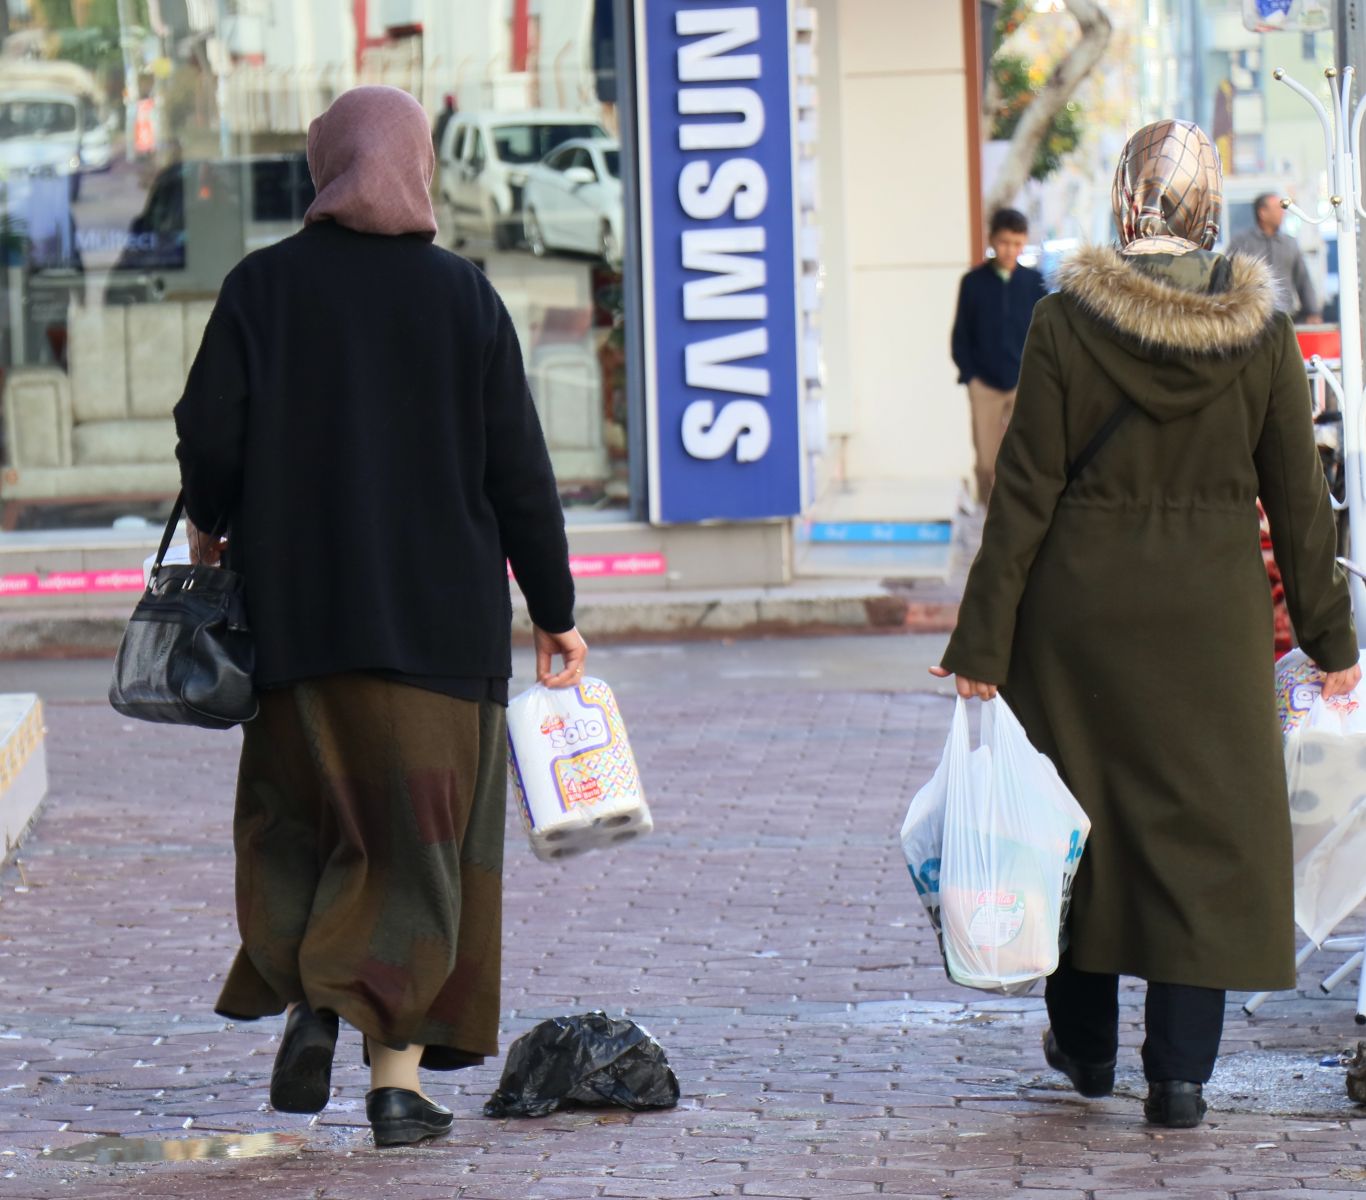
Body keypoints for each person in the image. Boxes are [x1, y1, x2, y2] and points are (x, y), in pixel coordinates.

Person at [172, 86, 587, 1149]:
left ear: (327, 166)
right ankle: (395, 1089)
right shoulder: (464, 297)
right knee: (419, 852)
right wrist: (554, 610)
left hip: (294, 629)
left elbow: (208, 431)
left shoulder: (262, 288)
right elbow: (519, 473)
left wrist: (213, 519)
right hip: (441, 636)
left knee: (303, 825)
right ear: (418, 166)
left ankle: (316, 997)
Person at [931, 120, 1360, 1129]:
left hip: (1075, 618)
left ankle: (1085, 1053)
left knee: (1074, 830)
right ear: (1209, 210)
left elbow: (1022, 493)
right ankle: (1179, 1078)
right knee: (1199, 838)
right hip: (1209, 621)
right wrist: (1331, 640)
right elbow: (1299, 501)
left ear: (1123, 201)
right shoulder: (1260, 330)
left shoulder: (1063, 321)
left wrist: (982, 641)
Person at [950, 208, 1049, 504]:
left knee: (1030, 456)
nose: (1010, 250)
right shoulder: (973, 282)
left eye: (1017, 243)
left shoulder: (1035, 282)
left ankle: (1025, 514)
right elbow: (961, 334)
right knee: (985, 462)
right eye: (1005, 242)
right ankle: (988, 516)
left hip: (1024, 384)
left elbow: (1045, 335)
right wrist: (970, 376)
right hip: (984, 385)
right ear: (992, 240)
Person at [1228, 193, 1323, 323]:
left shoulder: (1290, 243)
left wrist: (1313, 312)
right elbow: (1228, 277)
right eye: (1278, 208)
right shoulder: (1242, 243)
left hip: (1285, 317)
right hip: (1251, 320)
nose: (1283, 213)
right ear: (1262, 212)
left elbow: (1303, 279)